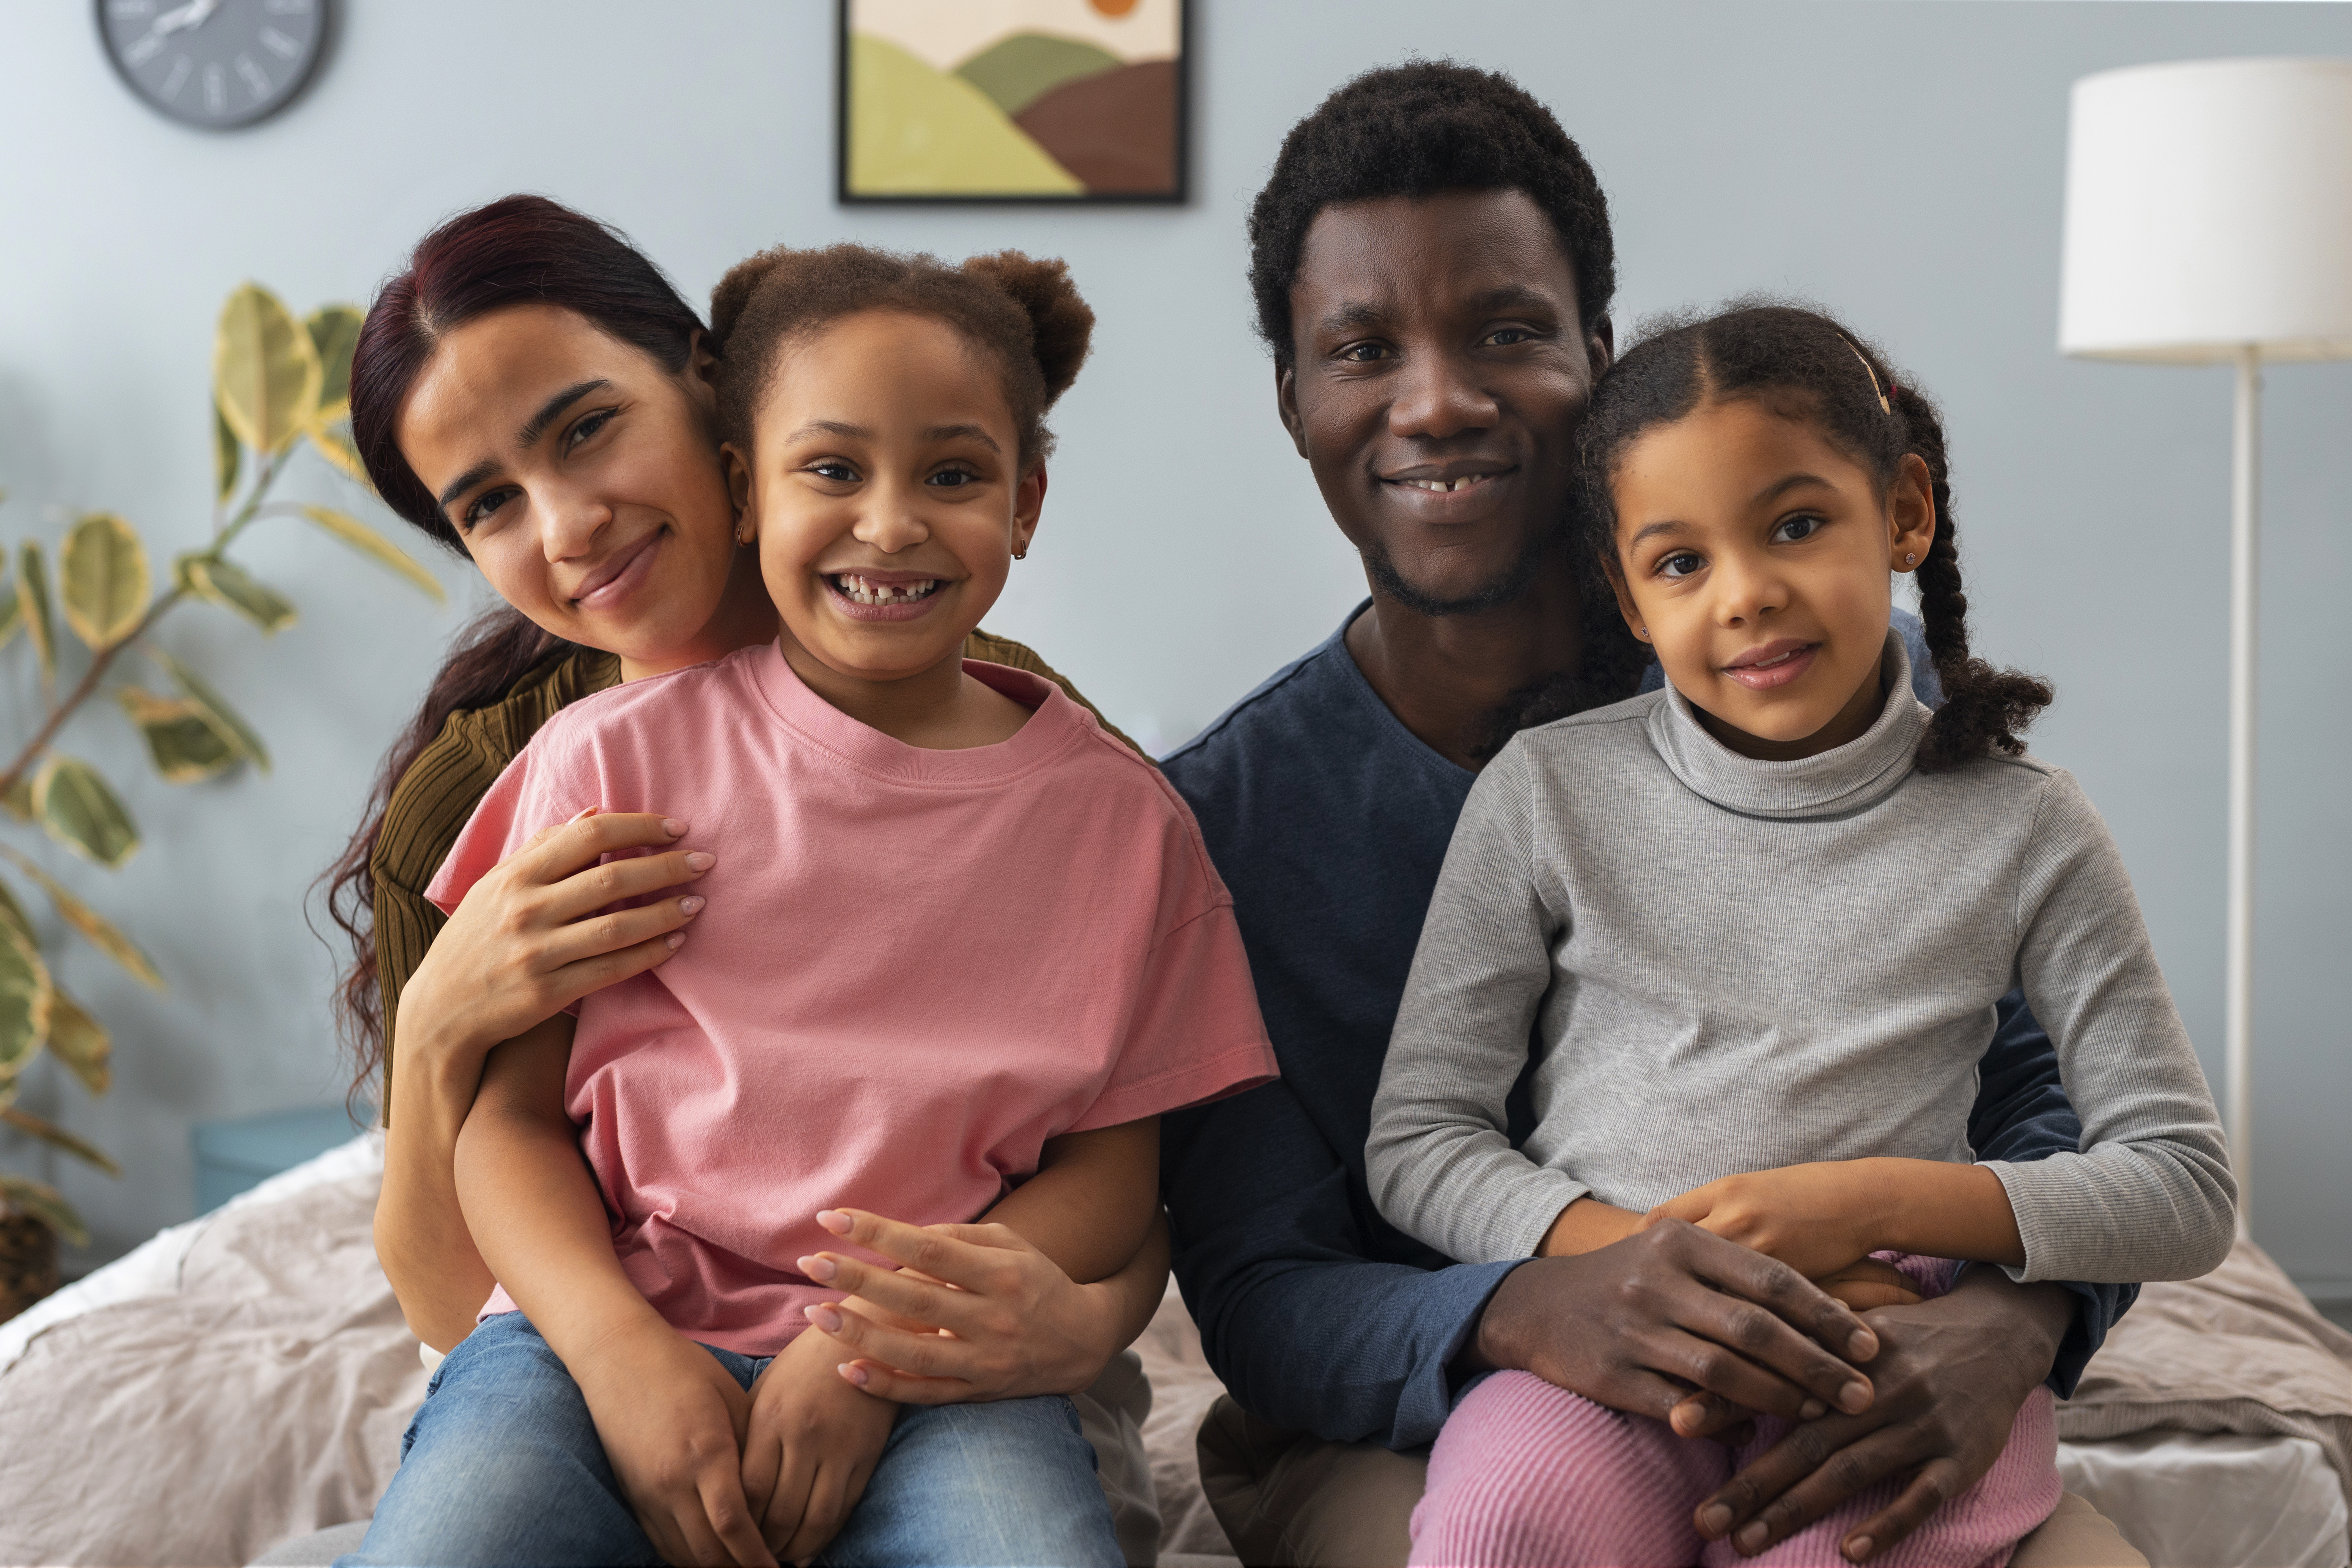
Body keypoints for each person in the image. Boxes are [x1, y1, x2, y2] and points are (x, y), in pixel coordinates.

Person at [1123, 63, 2149, 1568]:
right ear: (1293, 397)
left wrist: (2010, 1325)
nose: (1436, 399)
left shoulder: (1844, 692)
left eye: (1505, 331)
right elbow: (1262, 1284)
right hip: (1416, 1420)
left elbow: (2060, 1107)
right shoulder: (1221, 823)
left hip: (1853, 1373)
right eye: (1361, 347)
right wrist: (1528, 1304)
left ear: (1595, 358)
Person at [340, 242, 1278, 1568]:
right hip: (602, 1340)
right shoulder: (559, 769)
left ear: (709, 405)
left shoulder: (1078, 787)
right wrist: (441, 1024)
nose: (569, 525)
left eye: (589, 428)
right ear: (758, 474)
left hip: (934, 1359)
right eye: (490, 501)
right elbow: (461, 1266)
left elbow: (1120, 1178)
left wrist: (891, 1340)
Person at [1368, 302, 2234, 1567]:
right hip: (1616, 1343)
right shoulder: (1544, 793)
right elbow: (1421, 1139)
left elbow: (2184, 1185)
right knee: (1502, 1528)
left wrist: (1873, 1204)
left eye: (1796, 524)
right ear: (1626, 593)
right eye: (1680, 563)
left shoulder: (2028, 830)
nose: (1748, 595)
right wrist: (1645, 1265)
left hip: (1883, 1350)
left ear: (1904, 514)